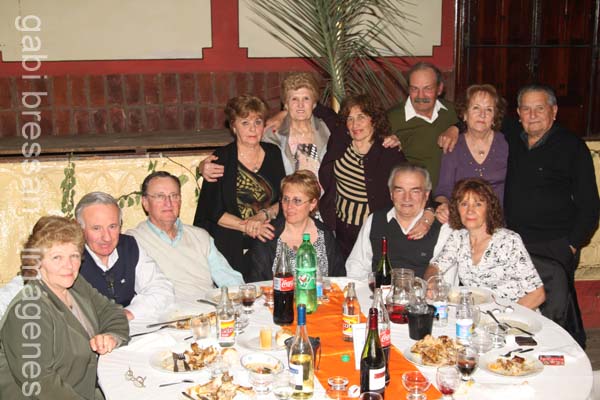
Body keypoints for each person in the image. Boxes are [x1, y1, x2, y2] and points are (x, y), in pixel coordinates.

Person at [504, 85, 600, 346]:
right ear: (518, 113)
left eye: (540, 108)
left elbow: (590, 205)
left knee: (558, 309)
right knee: (521, 308)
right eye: (526, 109)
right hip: (515, 241)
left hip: (555, 244)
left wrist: (571, 245)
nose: (532, 115)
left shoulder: (572, 146)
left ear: (554, 111)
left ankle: (568, 351)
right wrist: (454, 128)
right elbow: (479, 115)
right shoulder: (510, 136)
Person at [0, 216, 129, 399]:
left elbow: (112, 311)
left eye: (74, 256)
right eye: (57, 257)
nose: (68, 266)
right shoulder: (29, 311)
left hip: (87, 388)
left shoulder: (75, 285)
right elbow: (40, 383)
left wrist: (111, 336)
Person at [193, 94, 286, 278]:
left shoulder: (274, 153)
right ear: (234, 127)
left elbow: (284, 199)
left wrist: (262, 216)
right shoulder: (221, 158)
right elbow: (213, 211)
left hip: (267, 235)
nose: (252, 128)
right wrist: (248, 226)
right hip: (230, 238)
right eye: (245, 123)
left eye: (258, 122)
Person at [425, 178, 545, 309]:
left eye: (478, 204)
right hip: (477, 314)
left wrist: (503, 316)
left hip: (515, 314)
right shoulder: (458, 237)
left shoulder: (508, 240)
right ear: (456, 209)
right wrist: (432, 282)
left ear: (489, 208)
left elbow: (537, 295)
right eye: (464, 204)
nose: (470, 211)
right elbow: (435, 266)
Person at [127, 171, 244, 300]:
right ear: (145, 203)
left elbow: (228, 278)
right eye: (160, 196)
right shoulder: (133, 241)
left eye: (174, 196)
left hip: (208, 308)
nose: (168, 203)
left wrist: (245, 298)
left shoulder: (200, 236)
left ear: (180, 200)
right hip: (165, 310)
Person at [319, 94, 408, 259]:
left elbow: (413, 182)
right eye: (350, 119)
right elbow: (323, 111)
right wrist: (283, 113)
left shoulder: (388, 152)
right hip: (339, 227)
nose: (355, 124)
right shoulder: (341, 137)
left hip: (370, 230)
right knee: (342, 271)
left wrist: (429, 210)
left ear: (374, 119)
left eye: (361, 117)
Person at [76, 192, 175, 321]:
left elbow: (162, 289)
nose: (107, 237)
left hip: (133, 326)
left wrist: (128, 313)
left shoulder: (129, 246)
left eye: (112, 226)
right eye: (96, 228)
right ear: (80, 229)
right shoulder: (71, 258)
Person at [346, 164, 452, 281]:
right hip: (378, 291)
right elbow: (357, 266)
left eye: (415, 191)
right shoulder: (375, 220)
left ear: (426, 195)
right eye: (400, 190)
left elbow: (444, 279)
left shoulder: (442, 226)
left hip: (423, 292)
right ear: (391, 194)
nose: (407, 198)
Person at [245, 170, 346, 282]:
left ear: (312, 203)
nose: (289, 206)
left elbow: (339, 280)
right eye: (286, 199)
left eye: (297, 201)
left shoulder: (325, 235)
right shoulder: (267, 235)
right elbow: (257, 284)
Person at [434, 84, 508, 223]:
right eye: (476, 108)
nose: (482, 114)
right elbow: (443, 190)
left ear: (494, 117)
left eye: (489, 109)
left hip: (499, 223)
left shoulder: (506, 144)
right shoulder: (453, 145)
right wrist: (443, 206)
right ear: (465, 114)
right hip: (463, 222)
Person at [387, 62, 459, 189]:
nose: (420, 96)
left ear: (439, 89)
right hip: (413, 196)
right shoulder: (391, 118)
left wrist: (456, 128)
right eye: (415, 89)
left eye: (427, 88)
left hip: (450, 194)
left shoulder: (452, 111)